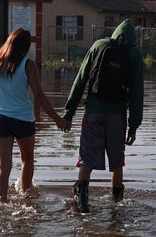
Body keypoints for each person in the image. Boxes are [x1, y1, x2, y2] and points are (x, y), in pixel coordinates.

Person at [62, 20, 145, 212]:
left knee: (86, 159)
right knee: (117, 162)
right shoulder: (134, 54)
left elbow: (80, 79)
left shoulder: (99, 46)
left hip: (93, 112)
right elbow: (136, 94)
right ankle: (117, 206)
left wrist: (69, 112)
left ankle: (82, 203)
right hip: (117, 115)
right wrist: (134, 126)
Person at [0, 28, 69, 203]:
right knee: (27, 159)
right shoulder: (28, 64)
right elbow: (39, 96)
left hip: (0, 120)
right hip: (23, 119)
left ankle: (1, 203)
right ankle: (26, 196)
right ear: (26, 46)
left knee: (3, 166)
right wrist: (57, 119)